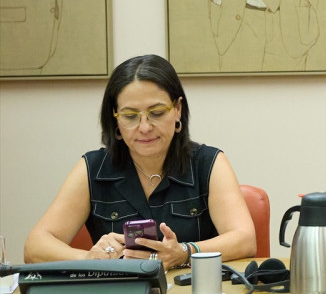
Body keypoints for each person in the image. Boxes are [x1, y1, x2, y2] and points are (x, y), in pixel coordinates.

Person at [24, 55, 256, 267]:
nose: (144, 127)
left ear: (177, 109)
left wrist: (185, 252)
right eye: (130, 116)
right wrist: (87, 257)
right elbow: (35, 247)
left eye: (156, 112)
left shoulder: (209, 163)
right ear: (115, 119)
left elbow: (245, 239)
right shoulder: (93, 168)